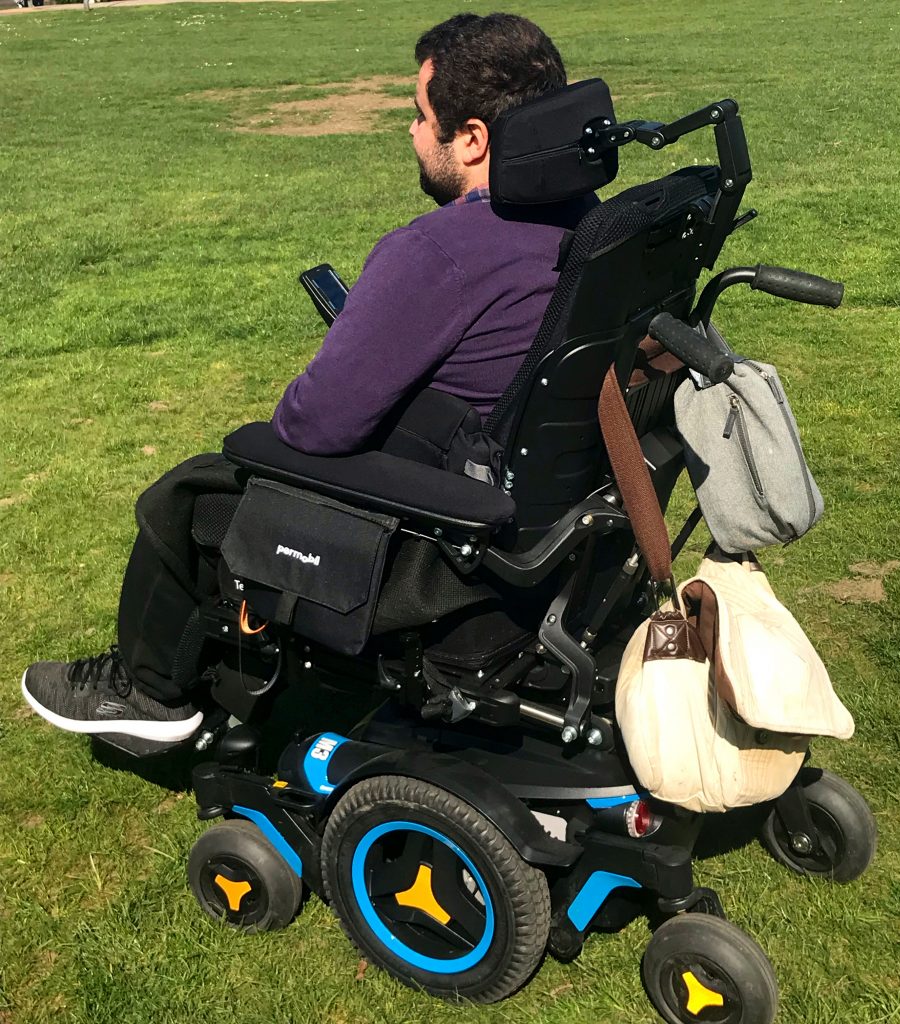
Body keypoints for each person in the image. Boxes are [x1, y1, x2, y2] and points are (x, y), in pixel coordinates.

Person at [21, 12, 595, 742]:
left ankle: (149, 691)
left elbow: (312, 426)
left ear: (473, 138)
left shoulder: (436, 252)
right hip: (540, 513)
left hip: (441, 541)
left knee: (191, 493)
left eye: (420, 117)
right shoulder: (590, 225)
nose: (412, 132)